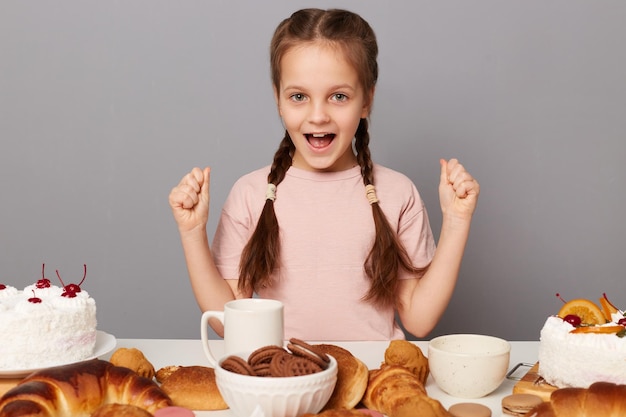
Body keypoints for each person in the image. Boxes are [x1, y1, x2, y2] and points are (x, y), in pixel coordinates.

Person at [169, 8, 480, 341]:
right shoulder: (250, 194)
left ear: (367, 101)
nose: (318, 116)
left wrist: (457, 221)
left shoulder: (397, 193)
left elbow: (419, 319)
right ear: (278, 99)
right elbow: (226, 321)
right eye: (299, 96)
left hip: (373, 380)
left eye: (339, 96)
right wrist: (192, 232)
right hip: (284, 381)